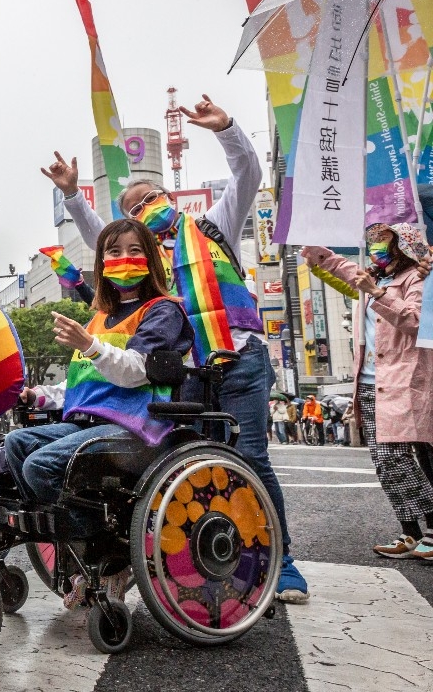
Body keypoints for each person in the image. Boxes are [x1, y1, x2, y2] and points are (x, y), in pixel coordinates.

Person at [41, 94, 310, 602]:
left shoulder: (210, 227)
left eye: (147, 200)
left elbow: (248, 173)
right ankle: (196, 557)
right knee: (184, 464)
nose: (140, 210)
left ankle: (283, 562)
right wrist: (74, 196)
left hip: (240, 359)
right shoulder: (143, 265)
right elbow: (102, 240)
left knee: (248, 454)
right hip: (181, 372)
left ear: (167, 197)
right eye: (130, 210)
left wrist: (225, 127)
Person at [0, 219, 193, 607]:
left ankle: (110, 549)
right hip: (88, 423)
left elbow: (135, 371)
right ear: (102, 264)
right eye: (114, 252)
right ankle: (81, 551)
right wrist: (38, 396)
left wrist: (89, 345)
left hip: (135, 428)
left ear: (152, 259)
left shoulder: (163, 311)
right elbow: (84, 385)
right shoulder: (100, 317)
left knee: (41, 466)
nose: (124, 259)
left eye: (134, 251)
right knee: (17, 444)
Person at [303, 224, 433, 560]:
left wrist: (377, 293)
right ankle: (410, 532)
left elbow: (416, 321)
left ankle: (432, 529)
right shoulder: (372, 278)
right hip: (370, 382)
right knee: (382, 462)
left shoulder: (417, 280)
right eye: (372, 243)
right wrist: (315, 248)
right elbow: (343, 268)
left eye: (383, 244)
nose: (375, 249)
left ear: (402, 248)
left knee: (397, 456)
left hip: (405, 378)